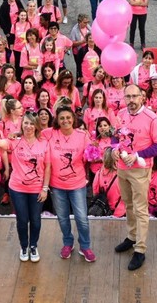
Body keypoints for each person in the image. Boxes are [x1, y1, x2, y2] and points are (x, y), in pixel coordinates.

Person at [113, 84, 157, 270]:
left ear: (142, 97)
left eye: (135, 96)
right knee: (128, 204)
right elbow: (115, 137)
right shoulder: (121, 114)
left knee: (140, 209)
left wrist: (137, 155)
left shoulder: (152, 118)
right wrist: (114, 150)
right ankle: (131, 236)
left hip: (140, 170)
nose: (131, 100)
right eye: (128, 97)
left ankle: (140, 250)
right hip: (122, 167)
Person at [0, 113, 51, 262]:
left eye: (32, 123)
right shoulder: (15, 141)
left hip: (37, 189)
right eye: (26, 123)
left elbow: (47, 167)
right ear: (22, 125)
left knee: (35, 220)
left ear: (36, 126)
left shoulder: (43, 142)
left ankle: (33, 245)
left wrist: (45, 188)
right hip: (17, 188)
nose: (28, 126)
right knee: (22, 219)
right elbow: (1, 144)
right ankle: (24, 246)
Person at [47, 106, 96, 262]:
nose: (65, 120)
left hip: (77, 184)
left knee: (81, 217)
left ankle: (85, 246)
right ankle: (68, 243)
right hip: (57, 184)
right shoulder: (49, 134)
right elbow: (32, 135)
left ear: (73, 119)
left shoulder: (82, 135)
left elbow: (91, 155)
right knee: (62, 217)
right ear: (57, 120)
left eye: (68, 117)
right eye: (62, 118)